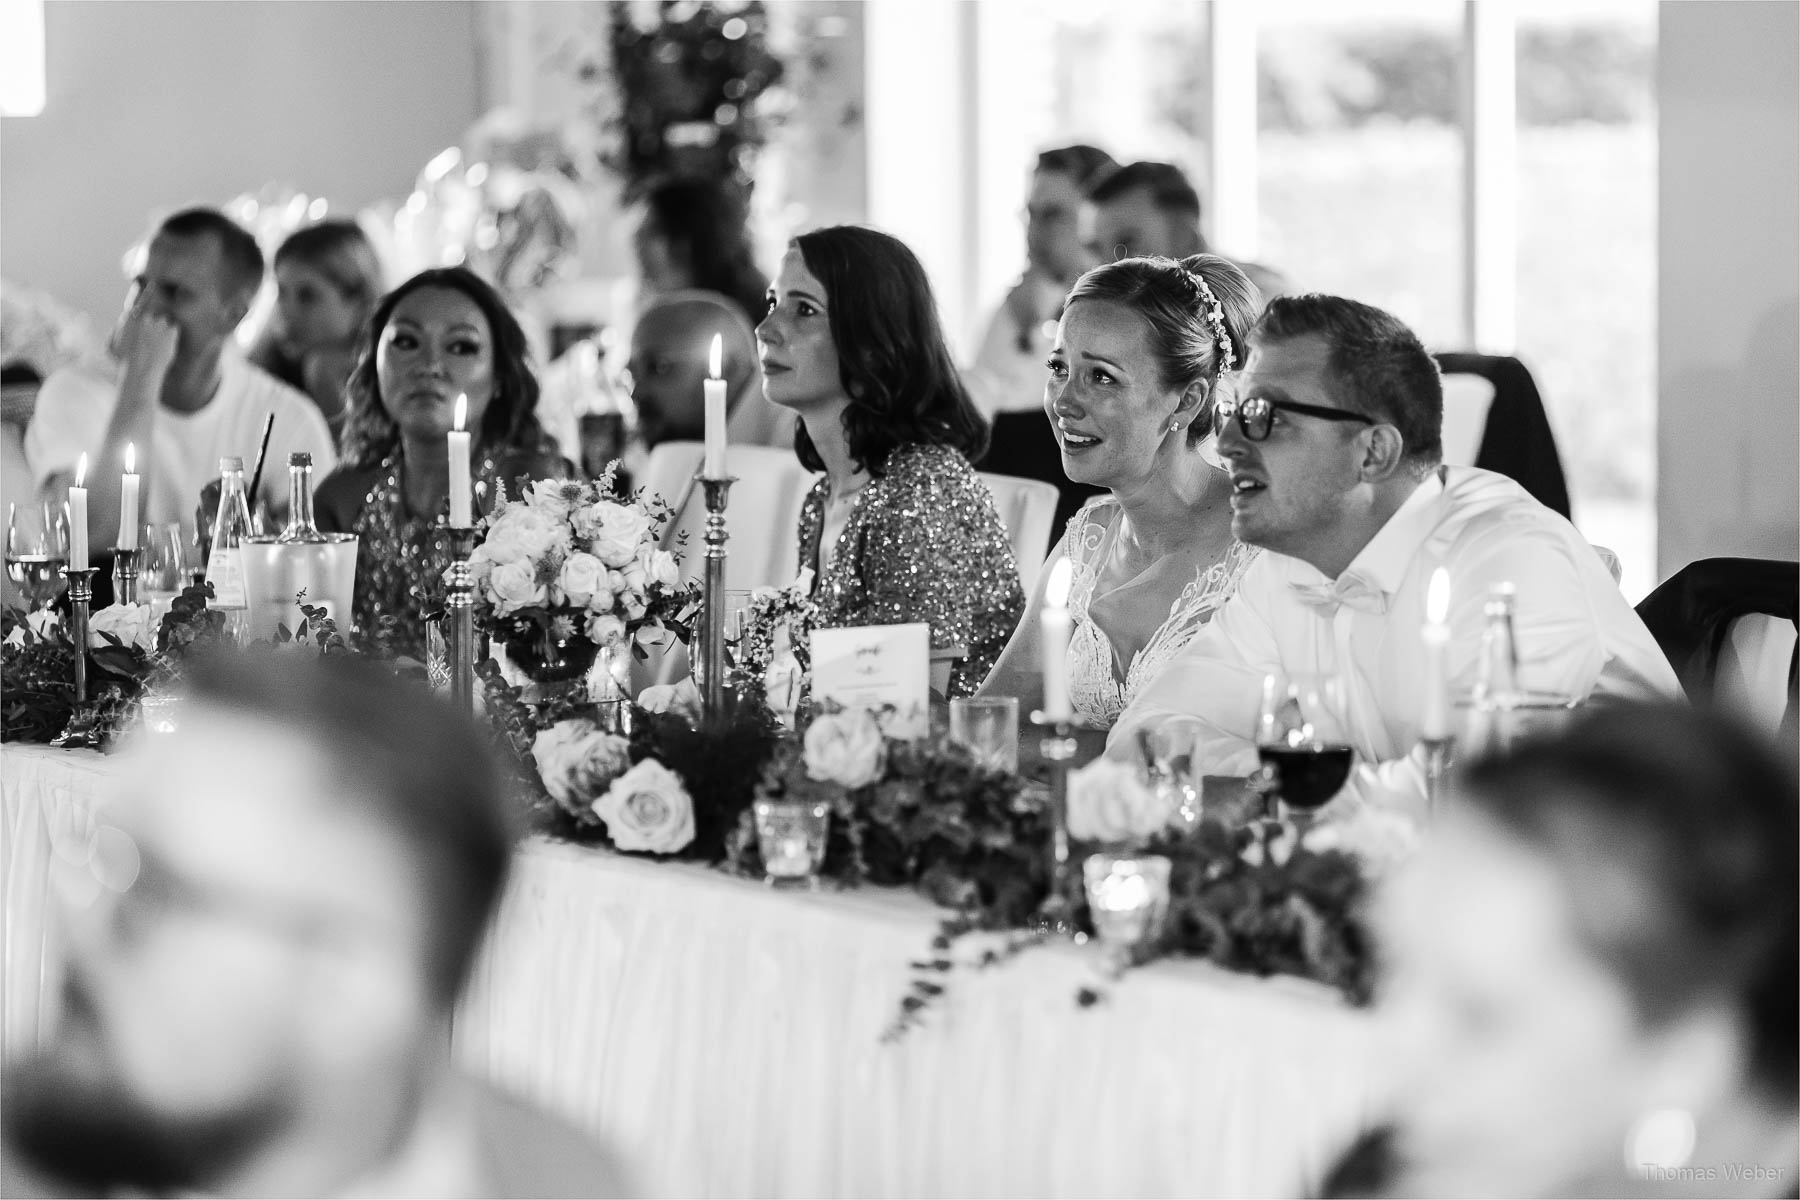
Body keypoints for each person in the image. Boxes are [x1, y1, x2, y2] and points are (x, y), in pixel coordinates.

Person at [0, 654, 629, 1199]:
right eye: (96, 850)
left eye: (149, 889)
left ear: (350, 987)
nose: (75, 913)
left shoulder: (565, 1180)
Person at [1110, 294, 1679, 810]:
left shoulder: (1509, 557)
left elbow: (1473, 799)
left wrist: (1261, 789)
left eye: (1263, 418)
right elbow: (1144, 738)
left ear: (1374, 453)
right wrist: (1281, 783)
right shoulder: (1288, 566)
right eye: (1233, 414)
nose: (1227, 443)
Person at [1347, 703, 1799, 1197]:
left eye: (1476, 1017)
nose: (1392, 1042)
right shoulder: (1392, 1163)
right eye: (1389, 963)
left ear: (1683, 1066)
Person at [979, 254, 1262, 726]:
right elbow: (993, 720)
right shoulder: (1089, 537)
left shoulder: (1259, 545)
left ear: (1187, 401)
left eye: (1102, 377)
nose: (1065, 402)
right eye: (1059, 368)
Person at [756, 225, 1025, 697]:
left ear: (873, 339)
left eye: (804, 310)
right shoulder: (823, 497)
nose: (766, 330)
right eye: (773, 303)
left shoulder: (919, 491)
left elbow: (919, 706)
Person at [25, 208, 336, 546]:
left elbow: (313, 569)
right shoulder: (73, 391)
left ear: (234, 315)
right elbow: (93, 538)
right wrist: (141, 376)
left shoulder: (289, 419)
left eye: (174, 293)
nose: (145, 307)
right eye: (141, 285)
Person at [314, 267, 568, 660]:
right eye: (406, 341)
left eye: (461, 346)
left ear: (500, 374)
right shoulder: (341, 500)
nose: (429, 364)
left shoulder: (528, 488)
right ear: (372, 362)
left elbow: (555, 653)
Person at [967, 144, 1118, 535]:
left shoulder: (1123, 319)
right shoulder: (1012, 309)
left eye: (1053, 215)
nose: (1035, 232)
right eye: (1030, 215)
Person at [248, 219, 386, 440]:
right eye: (281, 292)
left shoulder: (390, 381)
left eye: (307, 296)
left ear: (358, 301)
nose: (287, 311)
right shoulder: (260, 377)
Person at [1086, 160, 1289, 301]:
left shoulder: (1263, 307)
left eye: (1126, 245)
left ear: (1183, 234)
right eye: (1096, 250)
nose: (1105, 268)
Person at [628, 289, 789, 452]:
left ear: (726, 368)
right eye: (631, 374)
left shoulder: (793, 437)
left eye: (659, 367)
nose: (636, 393)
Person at [632, 177, 769, 328]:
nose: (638, 243)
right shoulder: (656, 310)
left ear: (686, 242)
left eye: (652, 232)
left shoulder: (726, 321)